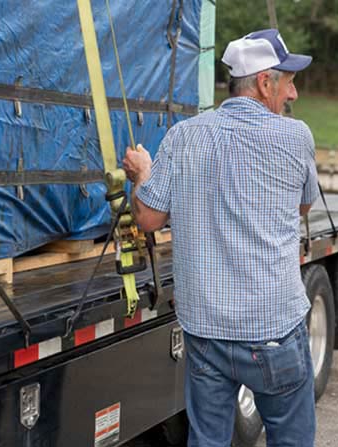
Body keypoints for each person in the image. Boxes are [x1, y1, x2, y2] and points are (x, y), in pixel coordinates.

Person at [122, 28, 319, 446]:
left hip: (206, 332)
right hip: (273, 331)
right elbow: (302, 208)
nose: (294, 93)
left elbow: (149, 218)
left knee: (208, 440)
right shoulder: (296, 136)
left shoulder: (183, 136)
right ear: (265, 83)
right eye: (289, 81)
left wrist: (142, 173)